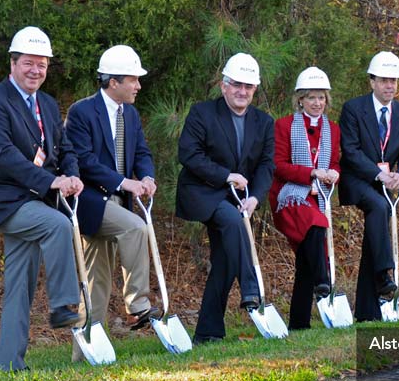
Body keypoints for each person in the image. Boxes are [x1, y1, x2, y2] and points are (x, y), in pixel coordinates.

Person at [0, 26, 82, 371]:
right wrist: (51, 181)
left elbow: (64, 148)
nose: (36, 71)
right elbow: (2, 153)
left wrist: (73, 174)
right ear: (13, 63)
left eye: (42, 65)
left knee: (18, 286)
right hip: (5, 201)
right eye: (29, 64)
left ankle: (9, 364)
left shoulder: (47, 104)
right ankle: (64, 306)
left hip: (35, 198)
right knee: (58, 225)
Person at [65, 45, 159, 355]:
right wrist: (123, 181)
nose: (138, 86)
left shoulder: (129, 114)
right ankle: (138, 302)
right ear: (113, 81)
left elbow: (142, 152)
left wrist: (145, 177)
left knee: (97, 278)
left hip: (120, 201)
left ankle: (85, 352)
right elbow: (84, 160)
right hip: (92, 202)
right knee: (134, 230)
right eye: (133, 80)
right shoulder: (82, 111)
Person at [175, 52, 274, 343]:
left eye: (249, 87)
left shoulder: (264, 122)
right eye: (236, 85)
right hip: (202, 191)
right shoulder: (202, 113)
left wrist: (255, 197)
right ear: (224, 86)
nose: (242, 91)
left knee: (225, 260)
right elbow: (189, 154)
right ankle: (251, 289)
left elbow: (267, 165)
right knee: (233, 221)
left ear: (255, 89)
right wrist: (225, 176)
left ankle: (208, 332)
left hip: (238, 197)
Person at [339, 51, 399, 322]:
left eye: (394, 81)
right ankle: (385, 273)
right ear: (372, 81)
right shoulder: (353, 108)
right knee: (378, 206)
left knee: (377, 223)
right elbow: (350, 151)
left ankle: (366, 310)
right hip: (357, 179)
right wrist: (378, 175)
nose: (390, 86)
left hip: (386, 184)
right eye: (384, 80)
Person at [268, 67, 341, 329]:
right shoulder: (284, 125)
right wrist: (311, 173)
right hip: (289, 197)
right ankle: (324, 282)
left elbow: (334, 162)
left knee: (306, 258)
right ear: (300, 99)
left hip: (317, 197)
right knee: (316, 225)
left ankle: (299, 322)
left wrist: (333, 173)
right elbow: (278, 164)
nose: (317, 103)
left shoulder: (332, 129)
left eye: (321, 98)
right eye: (311, 97)